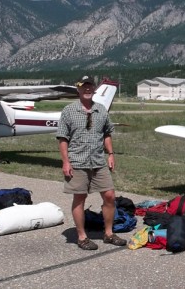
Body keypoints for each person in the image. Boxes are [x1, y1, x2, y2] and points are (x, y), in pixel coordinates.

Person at [56, 75, 126, 250]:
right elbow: (62, 138)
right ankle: (82, 237)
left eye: (90, 86)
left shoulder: (101, 110)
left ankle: (109, 233)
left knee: (109, 195)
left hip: (98, 161)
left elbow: (107, 133)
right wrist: (66, 162)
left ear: (94, 89)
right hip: (77, 161)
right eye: (83, 86)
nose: (87, 89)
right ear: (78, 88)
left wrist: (110, 154)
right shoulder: (69, 111)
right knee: (80, 198)